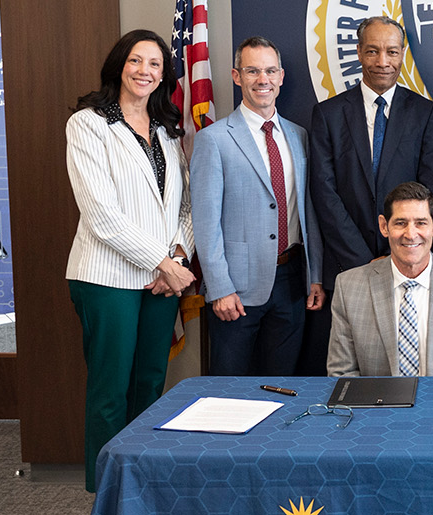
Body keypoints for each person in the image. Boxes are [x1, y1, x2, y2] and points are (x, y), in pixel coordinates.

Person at [63, 30, 195, 492]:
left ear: (165, 74)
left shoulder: (167, 129)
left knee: (150, 385)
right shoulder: (88, 124)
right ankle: (106, 491)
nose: (145, 71)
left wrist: (177, 255)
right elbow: (101, 214)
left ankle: (141, 485)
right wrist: (163, 262)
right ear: (120, 65)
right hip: (107, 278)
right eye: (136, 61)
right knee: (110, 392)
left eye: (155, 64)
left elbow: (182, 206)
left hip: (161, 280)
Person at [303, 16, 433, 376]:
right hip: (348, 267)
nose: (383, 60)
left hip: (407, 262)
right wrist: (364, 259)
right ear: (359, 54)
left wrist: (394, 253)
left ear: (402, 55)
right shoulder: (328, 113)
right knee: (353, 367)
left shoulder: (425, 112)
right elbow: (324, 192)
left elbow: (429, 190)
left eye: (392, 51)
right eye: (373, 50)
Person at [192, 36, 325, 376]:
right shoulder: (214, 139)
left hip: (292, 282)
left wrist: (314, 276)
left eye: (269, 71)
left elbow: (308, 211)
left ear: (281, 76)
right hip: (236, 290)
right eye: (252, 71)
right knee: (229, 391)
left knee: (280, 385)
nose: (262, 80)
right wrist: (220, 287)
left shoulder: (299, 136)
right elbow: (205, 222)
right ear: (237, 76)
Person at [327, 182, 433, 377]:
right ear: (384, 226)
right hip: (376, 407)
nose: (410, 234)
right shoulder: (348, 287)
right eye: (400, 223)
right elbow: (342, 375)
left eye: (421, 223)